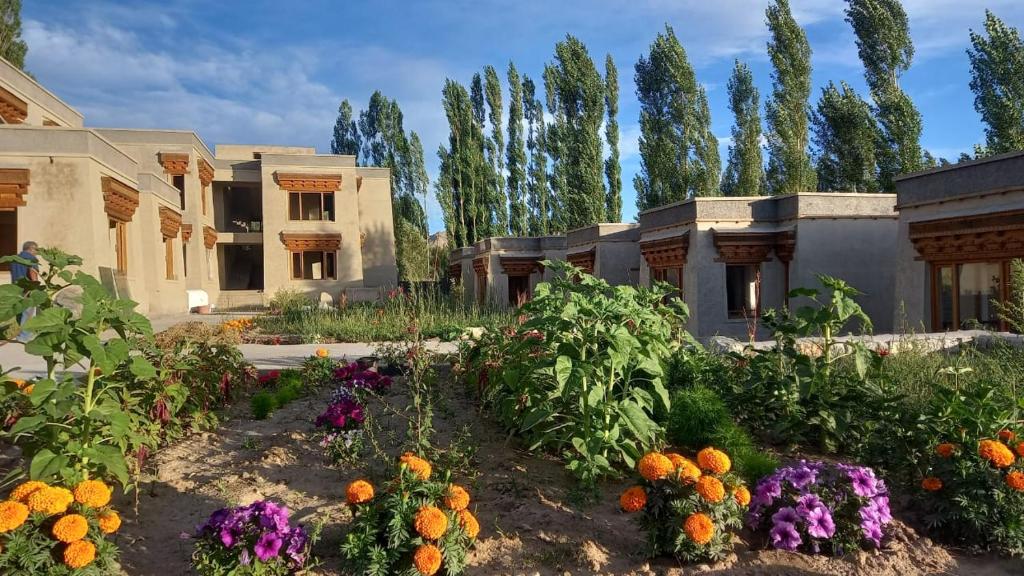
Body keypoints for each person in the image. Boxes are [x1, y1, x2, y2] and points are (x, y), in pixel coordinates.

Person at [9, 241, 39, 343]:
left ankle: (19, 333)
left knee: (20, 312)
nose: (36, 252)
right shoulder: (31, 259)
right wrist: (36, 287)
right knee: (28, 313)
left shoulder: (14, 259)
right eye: (36, 250)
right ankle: (25, 336)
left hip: (16, 290)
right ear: (31, 249)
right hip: (28, 290)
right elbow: (32, 273)